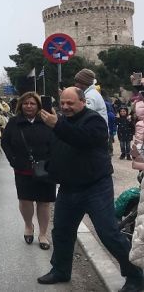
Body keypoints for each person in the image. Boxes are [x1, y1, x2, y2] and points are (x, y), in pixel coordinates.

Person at [37, 87, 143, 292]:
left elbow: (82, 139)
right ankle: (60, 270)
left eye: (70, 103)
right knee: (62, 231)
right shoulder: (60, 121)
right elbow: (55, 148)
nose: (65, 107)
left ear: (82, 102)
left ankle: (135, 276)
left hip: (96, 186)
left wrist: (57, 125)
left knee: (109, 233)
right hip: (69, 187)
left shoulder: (93, 121)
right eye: (63, 103)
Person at [1, 92, 56, 250]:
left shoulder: (47, 121)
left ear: (38, 105)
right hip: (23, 168)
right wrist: (13, 160)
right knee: (25, 200)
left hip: (46, 168)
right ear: (20, 105)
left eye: (32, 103)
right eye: (26, 103)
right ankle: (28, 225)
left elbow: (57, 140)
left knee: (44, 202)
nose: (29, 106)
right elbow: (5, 142)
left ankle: (43, 234)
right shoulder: (14, 122)